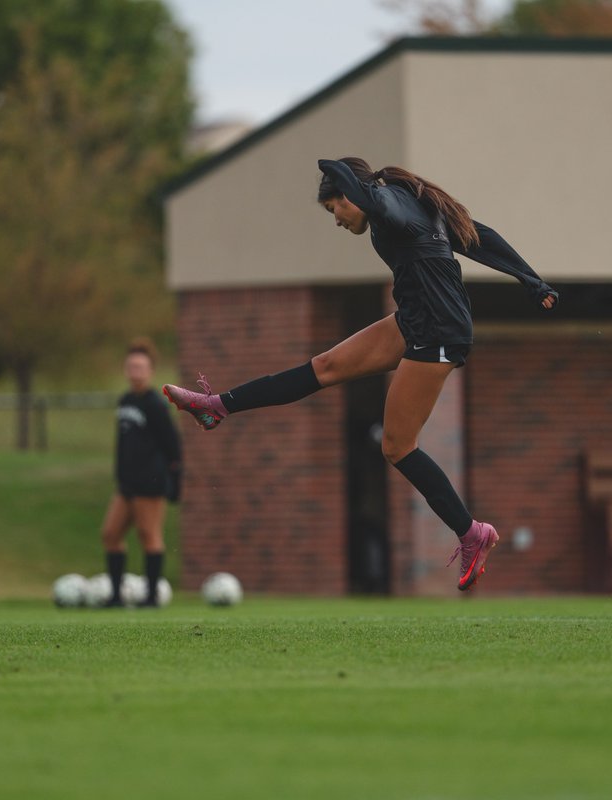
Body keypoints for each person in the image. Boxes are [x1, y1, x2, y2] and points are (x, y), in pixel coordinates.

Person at [163, 157, 559, 591]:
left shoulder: (390, 203)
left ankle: (472, 533)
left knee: (396, 445)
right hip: (414, 319)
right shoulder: (410, 204)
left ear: (351, 196)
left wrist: (339, 172)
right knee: (325, 366)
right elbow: (480, 237)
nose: (336, 220)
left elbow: (383, 203)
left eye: (336, 209)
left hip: (439, 329)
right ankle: (216, 407)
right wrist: (530, 280)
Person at [101, 338, 182, 607]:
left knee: (149, 534)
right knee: (111, 534)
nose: (135, 371)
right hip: (126, 483)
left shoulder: (155, 405)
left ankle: (151, 596)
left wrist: (175, 481)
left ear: (150, 371)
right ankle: (115, 596)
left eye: (140, 367)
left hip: (150, 482)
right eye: (131, 366)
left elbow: (173, 446)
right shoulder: (124, 400)